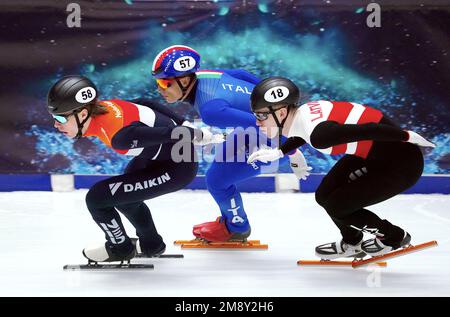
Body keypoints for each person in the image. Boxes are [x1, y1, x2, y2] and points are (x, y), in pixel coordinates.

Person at [247, 76, 435, 258]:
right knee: (324, 195)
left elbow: (369, 128)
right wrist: (279, 152)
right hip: (373, 154)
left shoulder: (320, 135)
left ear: (281, 113)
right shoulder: (303, 114)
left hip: (402, 165)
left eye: (261, 115)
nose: (257, 121)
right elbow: (303, 133)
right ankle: (352, 242)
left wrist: (406, 136)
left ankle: (394, 236)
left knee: (338, 206)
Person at [47, 75, 223, 262]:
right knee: (124, 198)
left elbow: (168, 133)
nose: (56, 125)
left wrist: (191, 131)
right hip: (159, 158)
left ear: (83, 114)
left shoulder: (119, 136)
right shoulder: (107, 107)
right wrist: (183, 122)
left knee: (97, 198)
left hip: (177, 167)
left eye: (60, 118)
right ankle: (152, 244)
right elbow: (144, 103)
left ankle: (120, 248)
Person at [151, 45, 311, 242]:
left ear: (184, 80)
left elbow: (260, 122)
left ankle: (236, 228)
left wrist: (291, 150)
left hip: (273, 136)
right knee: (218, 171)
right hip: (259, 128)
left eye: (164, 83)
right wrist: (272, 98)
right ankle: (231, 219)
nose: (159, 89)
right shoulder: (206, 74)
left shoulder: (210, 110)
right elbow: (241, 74)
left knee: (216, 181)